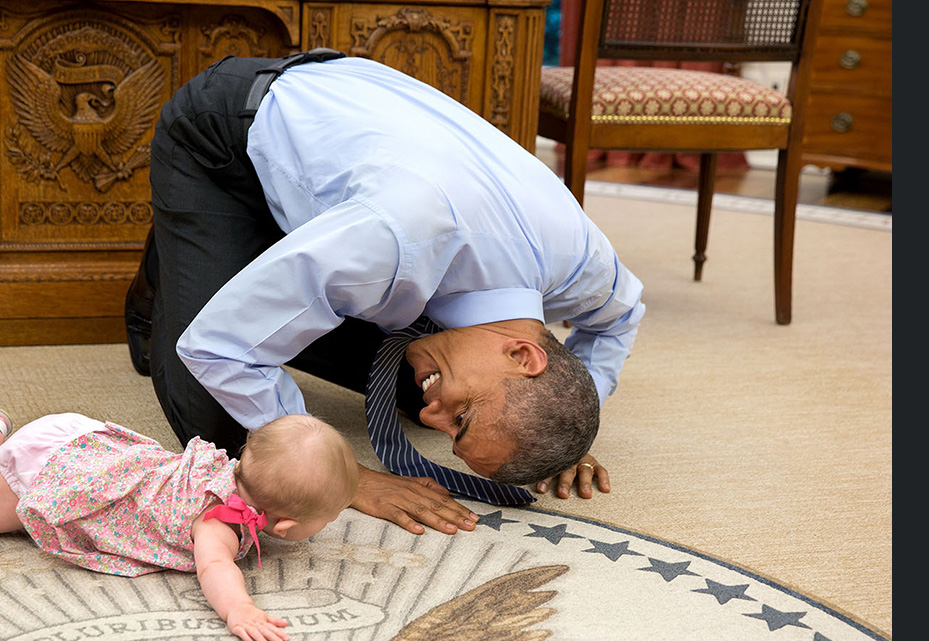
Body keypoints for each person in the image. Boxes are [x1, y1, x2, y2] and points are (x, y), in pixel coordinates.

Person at [124, 51, 645, 538]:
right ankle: (183, 255)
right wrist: (342, 475)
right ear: (523, 354)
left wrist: (564, 429)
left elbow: (621, 318)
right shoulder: (396, 239)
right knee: (224, 426)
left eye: (452, 431)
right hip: (225, 134)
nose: (429, 421)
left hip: (355, 180)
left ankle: (237, 258)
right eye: (459, 421)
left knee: (403, 382)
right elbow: (218, 347)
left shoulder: (582, 263)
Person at [0, 409, 359, 641]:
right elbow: (215, 568)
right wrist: (239, 608)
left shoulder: (228, 469)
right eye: (330, 517)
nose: (332, 522)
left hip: (89, 443)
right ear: (285, 524)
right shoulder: (218, 519)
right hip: (56, 470)